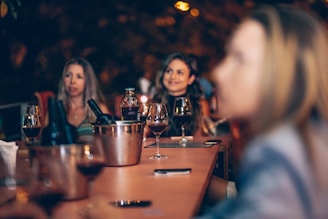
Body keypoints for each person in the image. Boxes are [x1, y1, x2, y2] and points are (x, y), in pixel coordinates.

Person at [196, 4, 328, 219]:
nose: (218, 72)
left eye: (239, 58)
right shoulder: (308, 137)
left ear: (283, 73)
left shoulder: (279, 152)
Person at [152, 52, 210, 137]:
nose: (172, 77)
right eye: (168, 71)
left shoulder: (200, 105)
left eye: (180, 72)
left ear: (191, 78)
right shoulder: (154, 104)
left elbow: (201, 140)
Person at [57, 57, 110, 139]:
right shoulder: (54, 112)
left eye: (79, 76)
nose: (72, 81)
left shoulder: (100, 111)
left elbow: (110, 143)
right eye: (68, 75)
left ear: (87, 81)